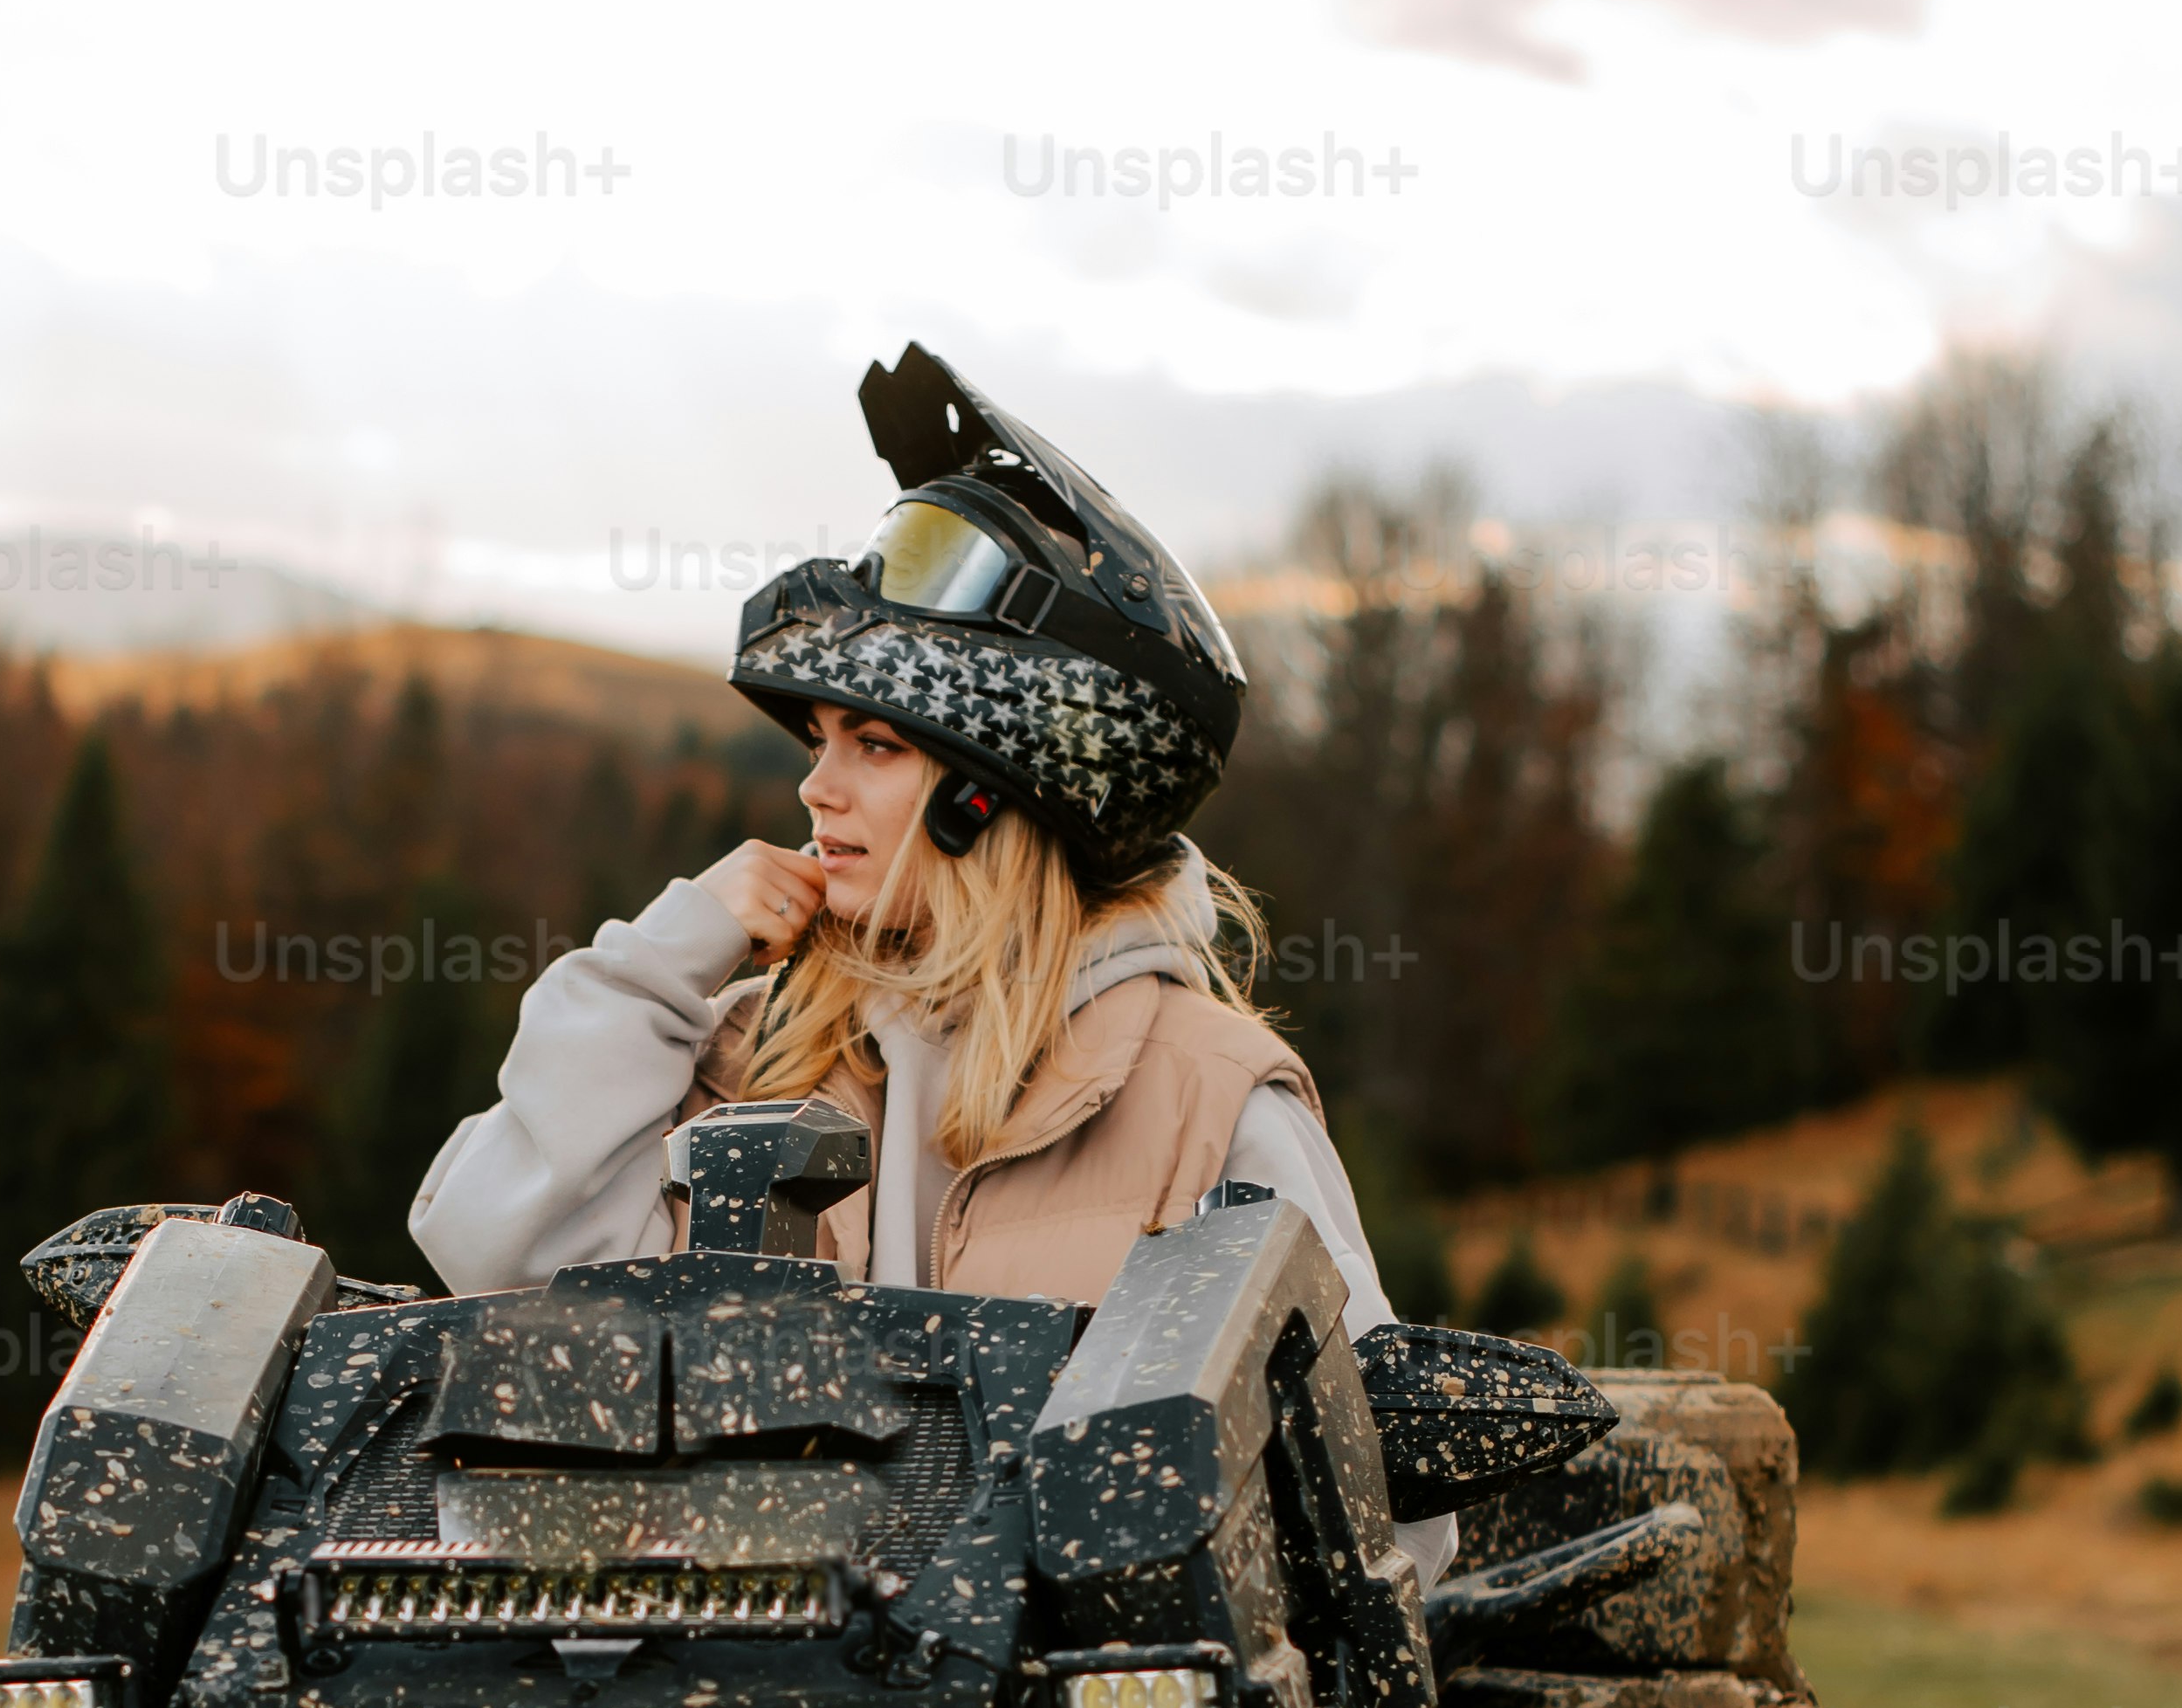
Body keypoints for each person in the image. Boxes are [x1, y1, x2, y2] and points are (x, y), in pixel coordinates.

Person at [411, 340, 1453, 1574]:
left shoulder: (1208, 1097)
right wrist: (665, 958)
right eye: (820, 739)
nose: (816, 785)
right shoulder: (755, 1054)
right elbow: (491, 1249)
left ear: (998, 792)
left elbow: (1385, 1518)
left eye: (874, 746)